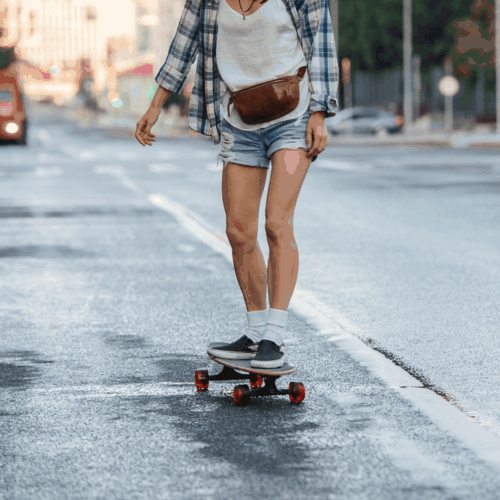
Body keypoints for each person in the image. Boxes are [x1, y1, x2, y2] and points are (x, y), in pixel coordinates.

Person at [135, 0, 338, 368]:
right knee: (239, 231)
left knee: (277, 222)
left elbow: (321, 46)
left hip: (294, 117)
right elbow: (182, 47)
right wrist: (154, 107)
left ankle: (274, 336)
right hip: (240, 120)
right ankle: (256, 331)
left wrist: (320, 113)